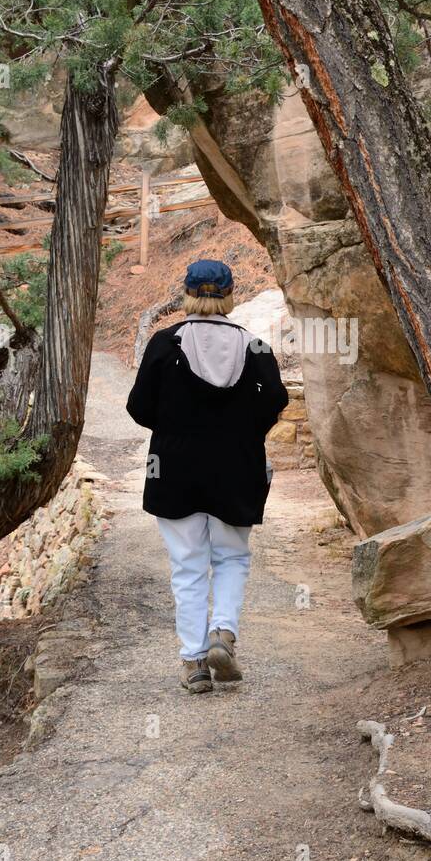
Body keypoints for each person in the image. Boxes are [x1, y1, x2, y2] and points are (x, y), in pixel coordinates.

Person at [126, 259, 288, 693]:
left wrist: (177, 423)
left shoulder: (164, 343)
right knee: (231, 558)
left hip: (174, 469)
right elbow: (275, 400)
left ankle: (195, 663)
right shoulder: (254, 347)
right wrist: (242, 432)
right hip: (237, 467)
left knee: (188, 566)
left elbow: (138, 408)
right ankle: (224, 635)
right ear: (229, 294)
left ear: (188, 294)